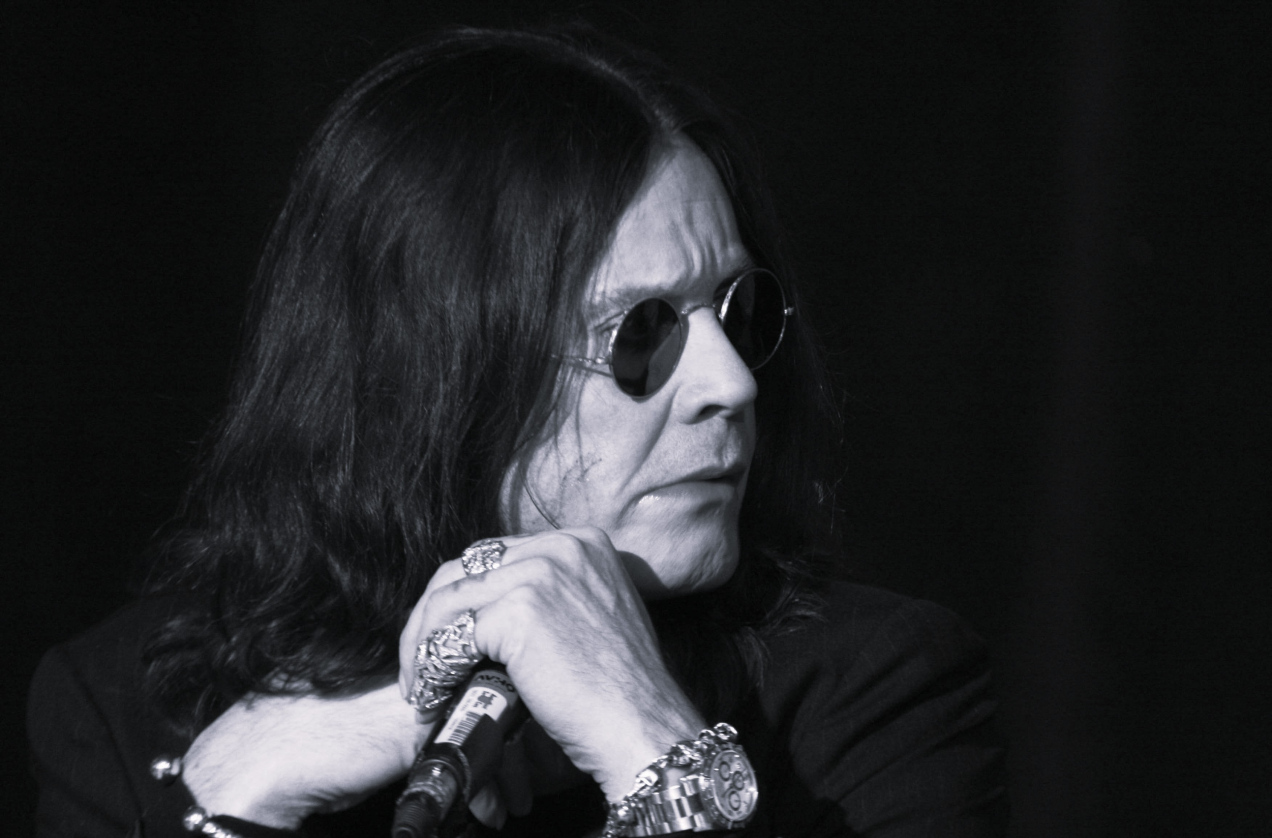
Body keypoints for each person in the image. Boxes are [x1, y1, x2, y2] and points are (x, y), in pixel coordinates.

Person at [28, 25, 1007, 838]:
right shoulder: (133, 707)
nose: (731, 382)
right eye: (643, 332)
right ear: (438, 373)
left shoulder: (873, 697)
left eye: (738, 310)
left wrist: (649, 743)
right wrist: (229, 815)